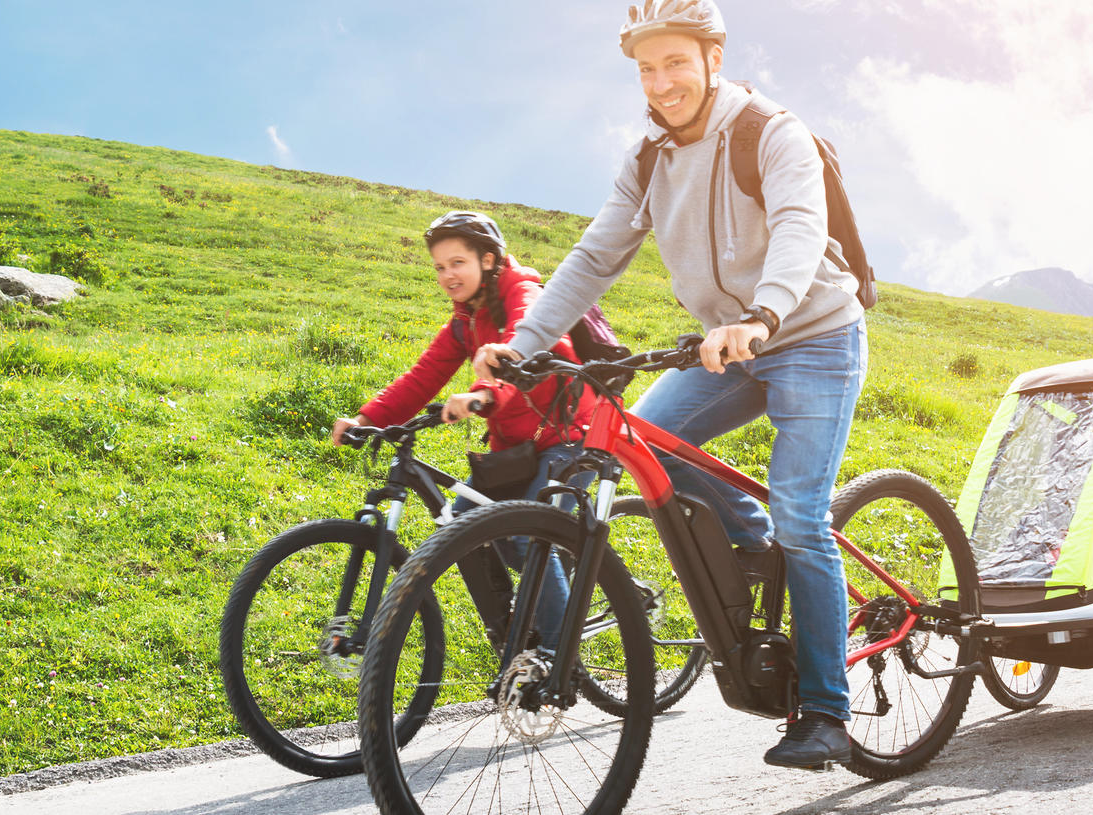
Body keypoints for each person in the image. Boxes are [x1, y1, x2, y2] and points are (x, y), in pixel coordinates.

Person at [472, 0, 868, 770]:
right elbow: (593, 258)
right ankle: (754, 539)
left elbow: (798, 226)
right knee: (651, 443)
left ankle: (826, 709)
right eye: (647, 69)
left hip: (812, 333)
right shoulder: (649, 157)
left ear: (713, 59)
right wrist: (520, 344)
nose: (662, 82)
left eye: (677, 62)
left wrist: (761, 313)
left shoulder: (771, 132)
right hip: (729, 346)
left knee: (802, 514)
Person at [332, 210, 601, 646]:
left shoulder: (527, 295)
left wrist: (483, 395)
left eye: (457, 263)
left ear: (489, 260)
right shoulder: (464, 321)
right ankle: (514, 629)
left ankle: (556, 653)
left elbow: (524, 350)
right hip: (516, 448)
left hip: (570, 437)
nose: (447, 275)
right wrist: (366, 420)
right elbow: (421, 379)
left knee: (526, 533)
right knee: (460, 522)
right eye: (440, 267)